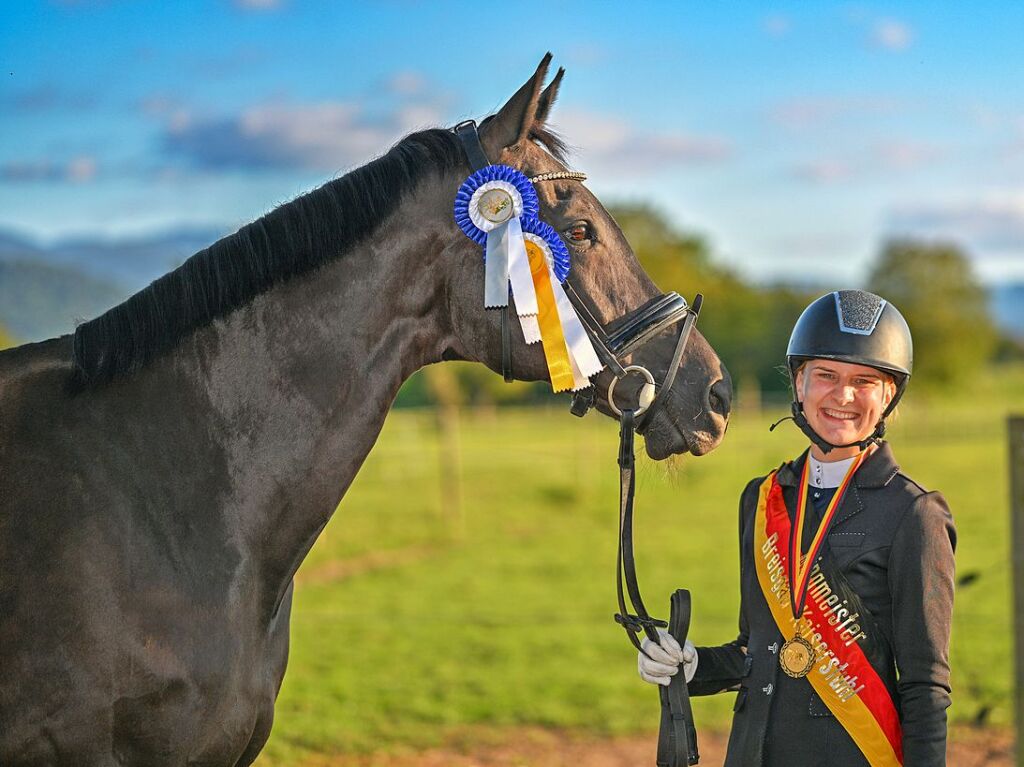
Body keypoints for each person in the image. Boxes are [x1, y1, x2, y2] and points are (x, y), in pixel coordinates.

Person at [639, 290, 956, 766]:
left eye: (864, 381)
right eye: (826, 375)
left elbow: (924, 686)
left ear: (889, 395)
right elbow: (758, 648)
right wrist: (694, 665)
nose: (842, 396)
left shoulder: (914, 512)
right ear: (800, 383)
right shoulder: (762, 498)